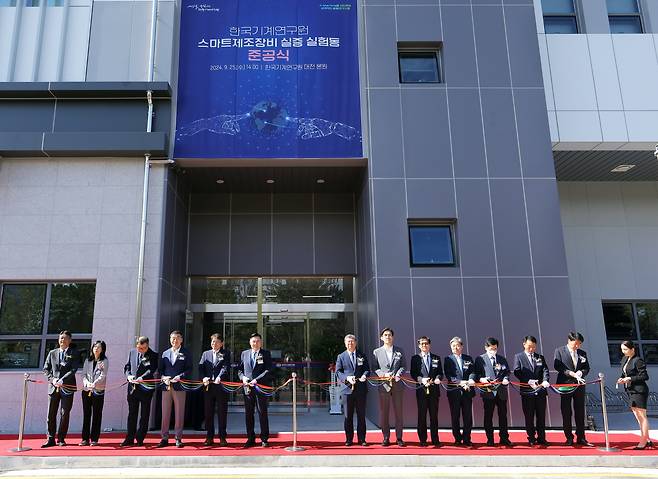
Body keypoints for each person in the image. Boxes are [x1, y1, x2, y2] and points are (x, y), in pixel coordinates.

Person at [553, 331, 593, 447]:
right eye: (576, 343)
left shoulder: (582, 353)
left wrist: (581, 372)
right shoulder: (559, 351)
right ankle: (569, 437)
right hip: (565, 384)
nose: (577, 346)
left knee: (580, 411)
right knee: (566, 411)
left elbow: (586, 367)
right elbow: (558, 366)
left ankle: (581, 437)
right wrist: (571, 373)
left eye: (579, 344)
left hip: (579, 385)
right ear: (569, 341)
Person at [42, 330, 79, 447]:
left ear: (69, 340)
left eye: (64, 338)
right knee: (50, 414)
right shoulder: (52, 353)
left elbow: (73, 369)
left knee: (64, 413)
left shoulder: (74, 353)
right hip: (53, 387)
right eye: (60, 338)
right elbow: (46, 369)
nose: (62, 340)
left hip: (67, 386)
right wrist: (52, 379)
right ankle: (50, 438)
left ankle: (61, 438)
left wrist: (63, 379)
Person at [512, 335, 550, 447]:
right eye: (529, 346)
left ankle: (542, 438)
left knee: (541, 415)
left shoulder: (540, 357)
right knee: (529, 416)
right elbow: (517, 371)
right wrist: (528, 381)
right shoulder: (519, 357)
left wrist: (545, 380)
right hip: (527, 391)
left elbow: (545, 370)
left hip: (540, 391)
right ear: (524, 344)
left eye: (533, 347)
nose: (532, 349)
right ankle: (531, 437)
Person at [474, 337, 512, 447]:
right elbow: (477, 374)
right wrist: (482, 379)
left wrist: (506, 379)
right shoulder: (480, 359)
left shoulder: (501, 359)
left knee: (503, 416)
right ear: (486, 348)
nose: (493, 350)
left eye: (495, 348)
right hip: (488, 392)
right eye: (491, 348)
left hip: (501, 392)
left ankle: (504, 438)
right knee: (488, 416)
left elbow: (507, 372)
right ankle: (490, 439)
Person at [121, 336, 158, 447]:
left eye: (143, 348)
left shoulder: (154, 355)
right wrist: (129, 376)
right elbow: (127, 367)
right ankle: (129, 438)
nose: (141, 350)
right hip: (133, 388)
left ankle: (140, 438)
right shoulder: (132, 352)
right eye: (139, 348)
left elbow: (151, 369)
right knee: (132, 414)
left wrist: (142, 378)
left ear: (147, 345)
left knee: (145, 414)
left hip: (146, 388)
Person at [238, 332, 274, 448]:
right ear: (250, 342)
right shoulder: (244, 354)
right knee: (249, 414)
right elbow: (239, 370)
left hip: (260, 387)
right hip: (247, 388)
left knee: (262, 412)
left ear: (261, 342)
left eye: (258, 341)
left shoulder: (266, 354)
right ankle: (250, 438)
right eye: (253, 341)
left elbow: (268, 370)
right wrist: (242, 378)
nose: (255, 343)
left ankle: (264, 438)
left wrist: (257, 380)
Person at [158, 330, 192, 448]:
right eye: (172, 338)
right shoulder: (165, 353)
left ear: (181, 340)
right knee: (165, 413)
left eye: (177, 338)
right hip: (166, 386)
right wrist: (163, 377)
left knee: (179, 412)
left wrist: (180, 377)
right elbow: (161, 369)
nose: (174, 340)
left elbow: (189, 369)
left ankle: (178, 438)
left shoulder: (186, 353)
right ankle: (164, 438)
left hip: (179, 386)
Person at [372, 327, 406, 446]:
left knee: (399, 413)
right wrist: (383, 375)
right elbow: (374, 367)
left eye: (390, 335)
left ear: (393, 337)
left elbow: (403, 366)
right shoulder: (377, 352)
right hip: (384, 386)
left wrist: (398, 374)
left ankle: (399, 438)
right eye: (385, 335)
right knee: (384, 413)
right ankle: (386, 437)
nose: (388, 337)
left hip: (397, 386)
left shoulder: (399, 351)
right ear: (381, 338)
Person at [335, 334, 369, 446]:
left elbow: (367, 369)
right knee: (348, 416)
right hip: (347, 390)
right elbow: (338, 372)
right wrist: (347, 378)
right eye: (348, 342)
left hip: (361, 390)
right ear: (345, 343)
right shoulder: (341, 356)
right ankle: (349, 439)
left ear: (356, 342)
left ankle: (362, 439)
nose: (350, 343)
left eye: (352, 341)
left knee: (361, 415)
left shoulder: (362, 355)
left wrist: (364, 375)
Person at [616, 340, 652, 450]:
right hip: (630, 390)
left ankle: (643, 441)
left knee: (642, 416)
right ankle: (647, 438)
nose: (623, 352)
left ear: (632, 349)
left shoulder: (638, 360)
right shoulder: (624, 359)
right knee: (637, 416)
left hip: (639, 390)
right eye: (622, 349)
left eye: (626, 349)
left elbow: (644, 376)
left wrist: (630, 378)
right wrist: (622, 378)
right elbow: (624, 372)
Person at [198, 333, 231, 447]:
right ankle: (209, 436)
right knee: (208, 413)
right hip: (208, 387)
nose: (214, 344)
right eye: (212, 342)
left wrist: (219, 377)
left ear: (221, 343)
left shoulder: (225, 353)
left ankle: (222, 437)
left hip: (220, 386)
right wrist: (203, 378)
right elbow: (201, 367)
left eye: (217, 342)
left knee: (222, 412)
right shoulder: (205, 354)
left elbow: (225, 367)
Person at [410, 336, 443, 447]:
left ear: (429, 345)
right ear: (419, 345)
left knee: (434, 416)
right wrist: (421, 380)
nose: (424, 345)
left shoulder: (436, 358)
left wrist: (438, 378)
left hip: (434, 391)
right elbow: (413, 373)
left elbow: (440, 372)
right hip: (421, 391)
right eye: (422, 344)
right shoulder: (415, 358)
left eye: (426, 343)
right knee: (422, 415)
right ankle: (422, 439)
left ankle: (435, 439)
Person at [443, 336, 475, 447]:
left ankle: (467, 439)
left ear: (462, 346)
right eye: (453, 346)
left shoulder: (468, 358)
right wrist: (460, 382)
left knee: (467, 417)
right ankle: (457, 438)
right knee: (455, 416)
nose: (455, 348)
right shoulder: (448, 359)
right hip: (454, 392)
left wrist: (470, 379)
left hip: (467, 392)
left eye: (457, 345)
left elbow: (473, 371)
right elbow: (449, 375)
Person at [79, 340, 108, 446]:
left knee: (97, 414)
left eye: (99, 347)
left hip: (98, 390)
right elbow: (84, 374)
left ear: (102, 349)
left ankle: (94, 438)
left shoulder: (104, 361)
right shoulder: (88, 360)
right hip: (86, 390)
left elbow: (103, 375)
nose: (96, 348)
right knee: (86, 414)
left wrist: (94, 383)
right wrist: (86, 382)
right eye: (95, 346)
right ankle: (84, 438)